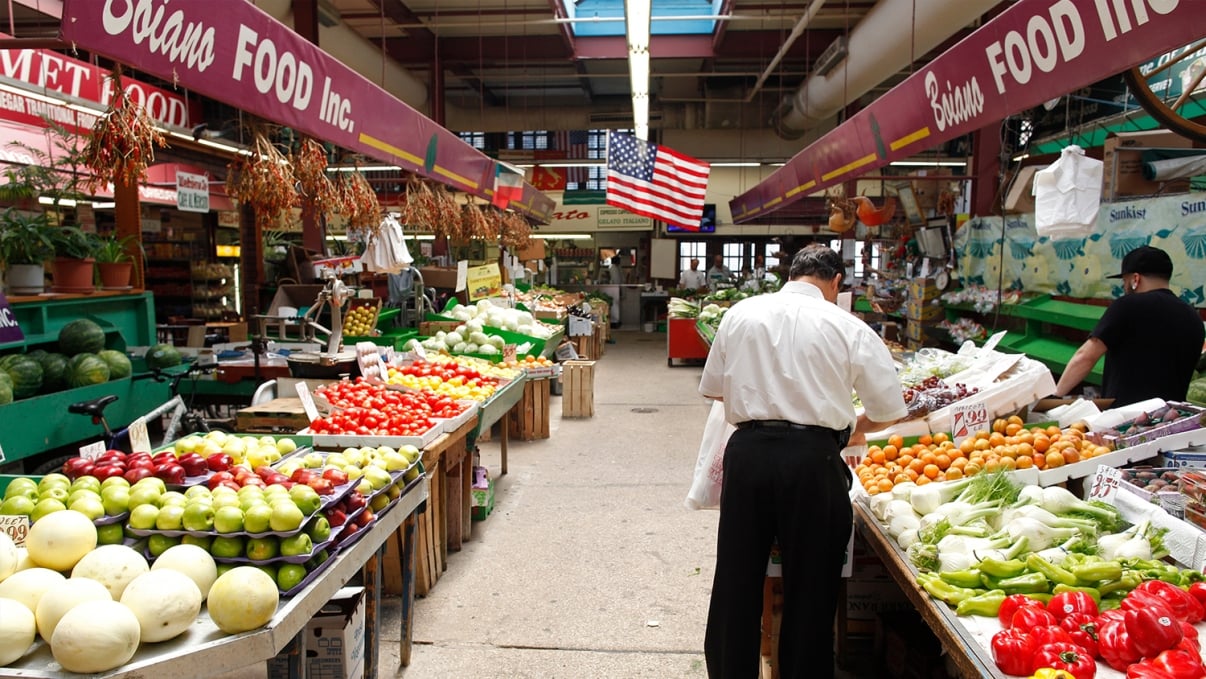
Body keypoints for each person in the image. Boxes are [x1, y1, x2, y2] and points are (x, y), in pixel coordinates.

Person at [698, 244, 907, 679]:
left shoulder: (741, 314)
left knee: (736, 579)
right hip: (814, 461)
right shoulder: (847, 325)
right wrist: (846, 428)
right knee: (811, 586)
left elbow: (715, 390)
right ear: (835, 283)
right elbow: (889, 409)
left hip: (749, 455)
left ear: (790, 274)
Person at [1054, 246, 1204, 406]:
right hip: (1171, 420)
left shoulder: (1127, 306)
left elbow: (1085, 357)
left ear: (1135, 279)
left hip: (1126, 420)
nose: (1124, 286)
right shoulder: (1193, 317)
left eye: (1124, 281)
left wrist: (1055, 396)